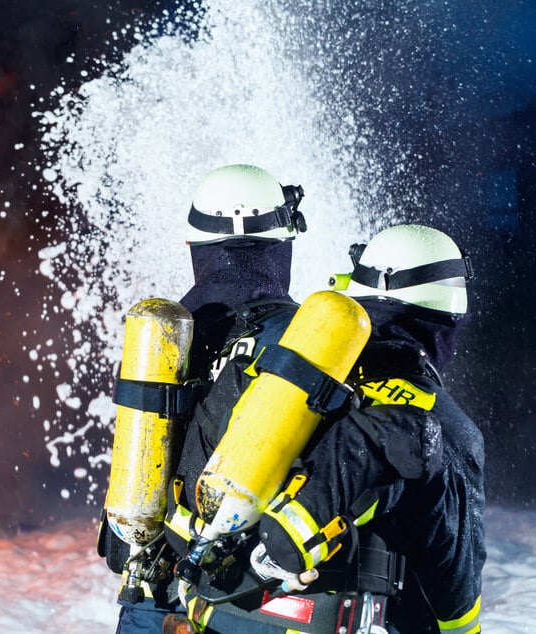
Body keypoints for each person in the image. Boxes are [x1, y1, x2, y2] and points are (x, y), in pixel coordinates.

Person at [165, 224, 485, 633]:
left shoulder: (281, 363)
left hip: (212, 610)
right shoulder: (445, 423)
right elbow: (453, 589)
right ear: (448, 317)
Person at [98, 163, 308, 633]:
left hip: (153, 591)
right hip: (248, 601)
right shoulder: (305, 343)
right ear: (283, 245)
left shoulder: (160, 339)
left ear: (194, 247)